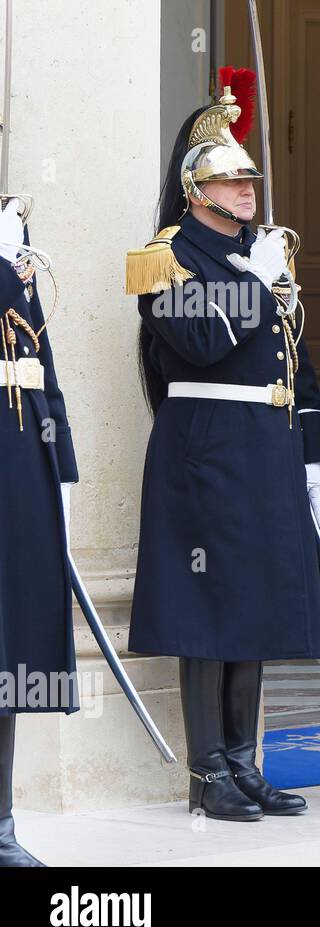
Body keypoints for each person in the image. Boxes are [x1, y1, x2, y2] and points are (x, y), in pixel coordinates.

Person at [126, 74, 320, 822]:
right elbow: (201, 340)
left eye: (249, 178)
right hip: (206, 447)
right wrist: (255, 282)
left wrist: (312, 452)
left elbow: (295, 358)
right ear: (194, 187)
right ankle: (208, 772)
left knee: (256, 604)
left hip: (265, 445)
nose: (246, 189)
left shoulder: (265, 251)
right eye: (229, 178)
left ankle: (244, 762)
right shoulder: (166, 256)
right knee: (208, 608)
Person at [0, 201, 79, 864]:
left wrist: (64, 464)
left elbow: (39, 352)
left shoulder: (12, 226)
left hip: (22, 456)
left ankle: (1, 824)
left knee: (14, 645)